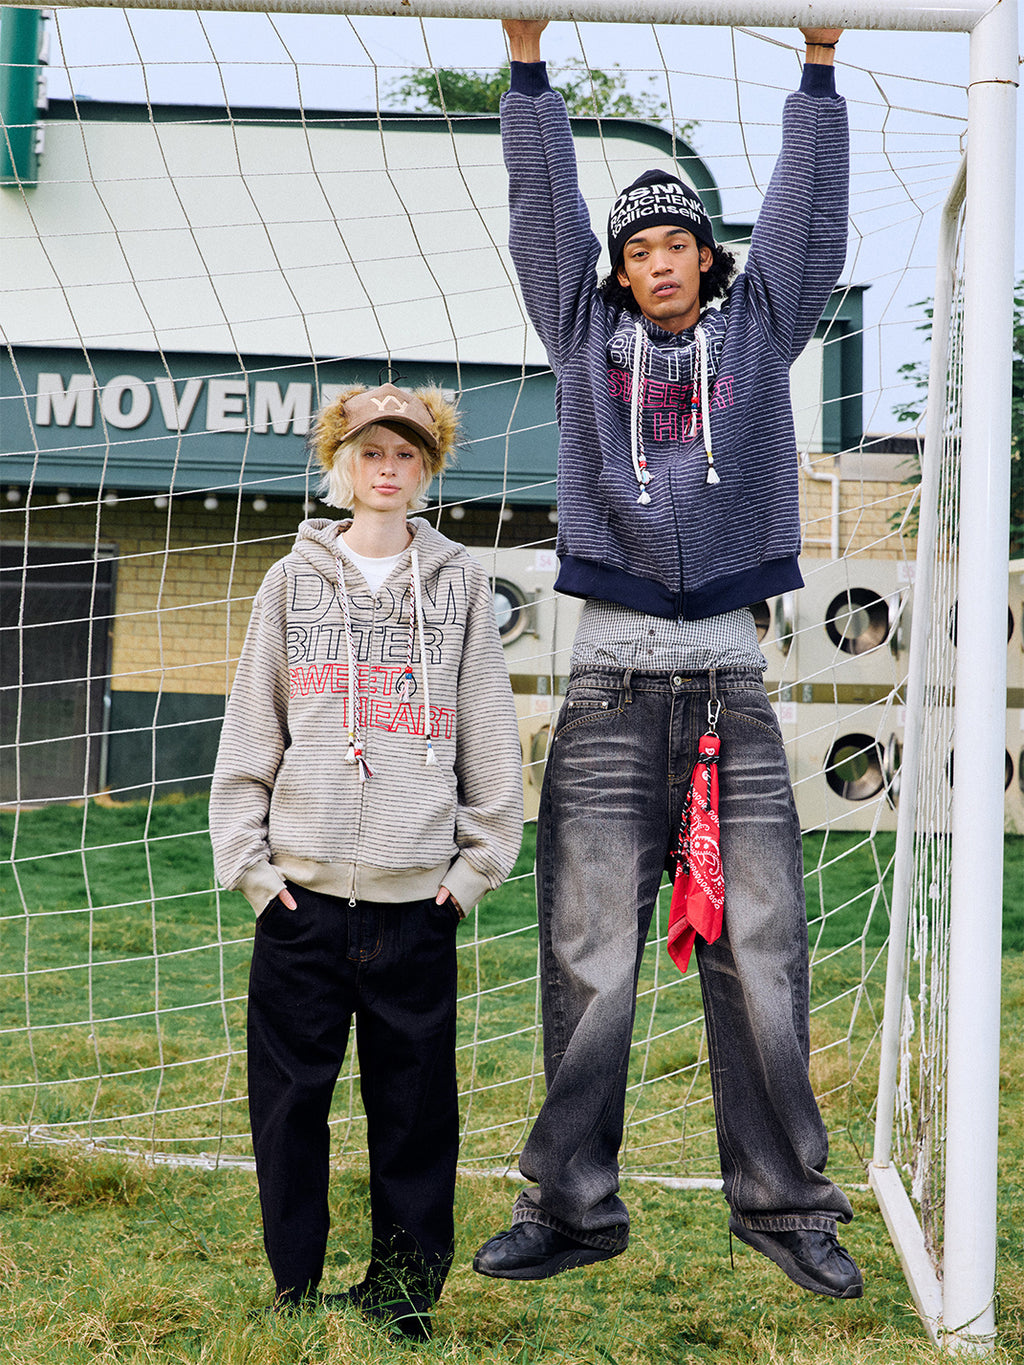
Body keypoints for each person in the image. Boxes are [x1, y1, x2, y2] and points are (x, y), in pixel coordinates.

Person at [472, 19, 863, 1301]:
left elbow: (805, 227)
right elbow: (542, 218)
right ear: (619, 269)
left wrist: (816, 71)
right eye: (635, 250)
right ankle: (570, 1209)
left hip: (728, 689)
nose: (655, 265)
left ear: (705, 256)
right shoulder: (580, 338)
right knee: (589, 961)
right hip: (608, 687)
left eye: (674, 245)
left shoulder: (760, 331)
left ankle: (784, 1206)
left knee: (765, 949)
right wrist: (528, 68)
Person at [209, 381, 524, 1339]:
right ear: (339, 465)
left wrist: (469, 874)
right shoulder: (289, 581)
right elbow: (252, 727)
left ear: (428, 469)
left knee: (415, 1112)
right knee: (289, 1106)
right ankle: (294, 1287)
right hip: (300, 905)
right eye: (370, 452)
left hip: (416, 905)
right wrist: (255, 872)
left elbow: (489, 734)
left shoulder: (461, 585)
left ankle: (404, 1296)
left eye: (406, 454)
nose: (388, 469)